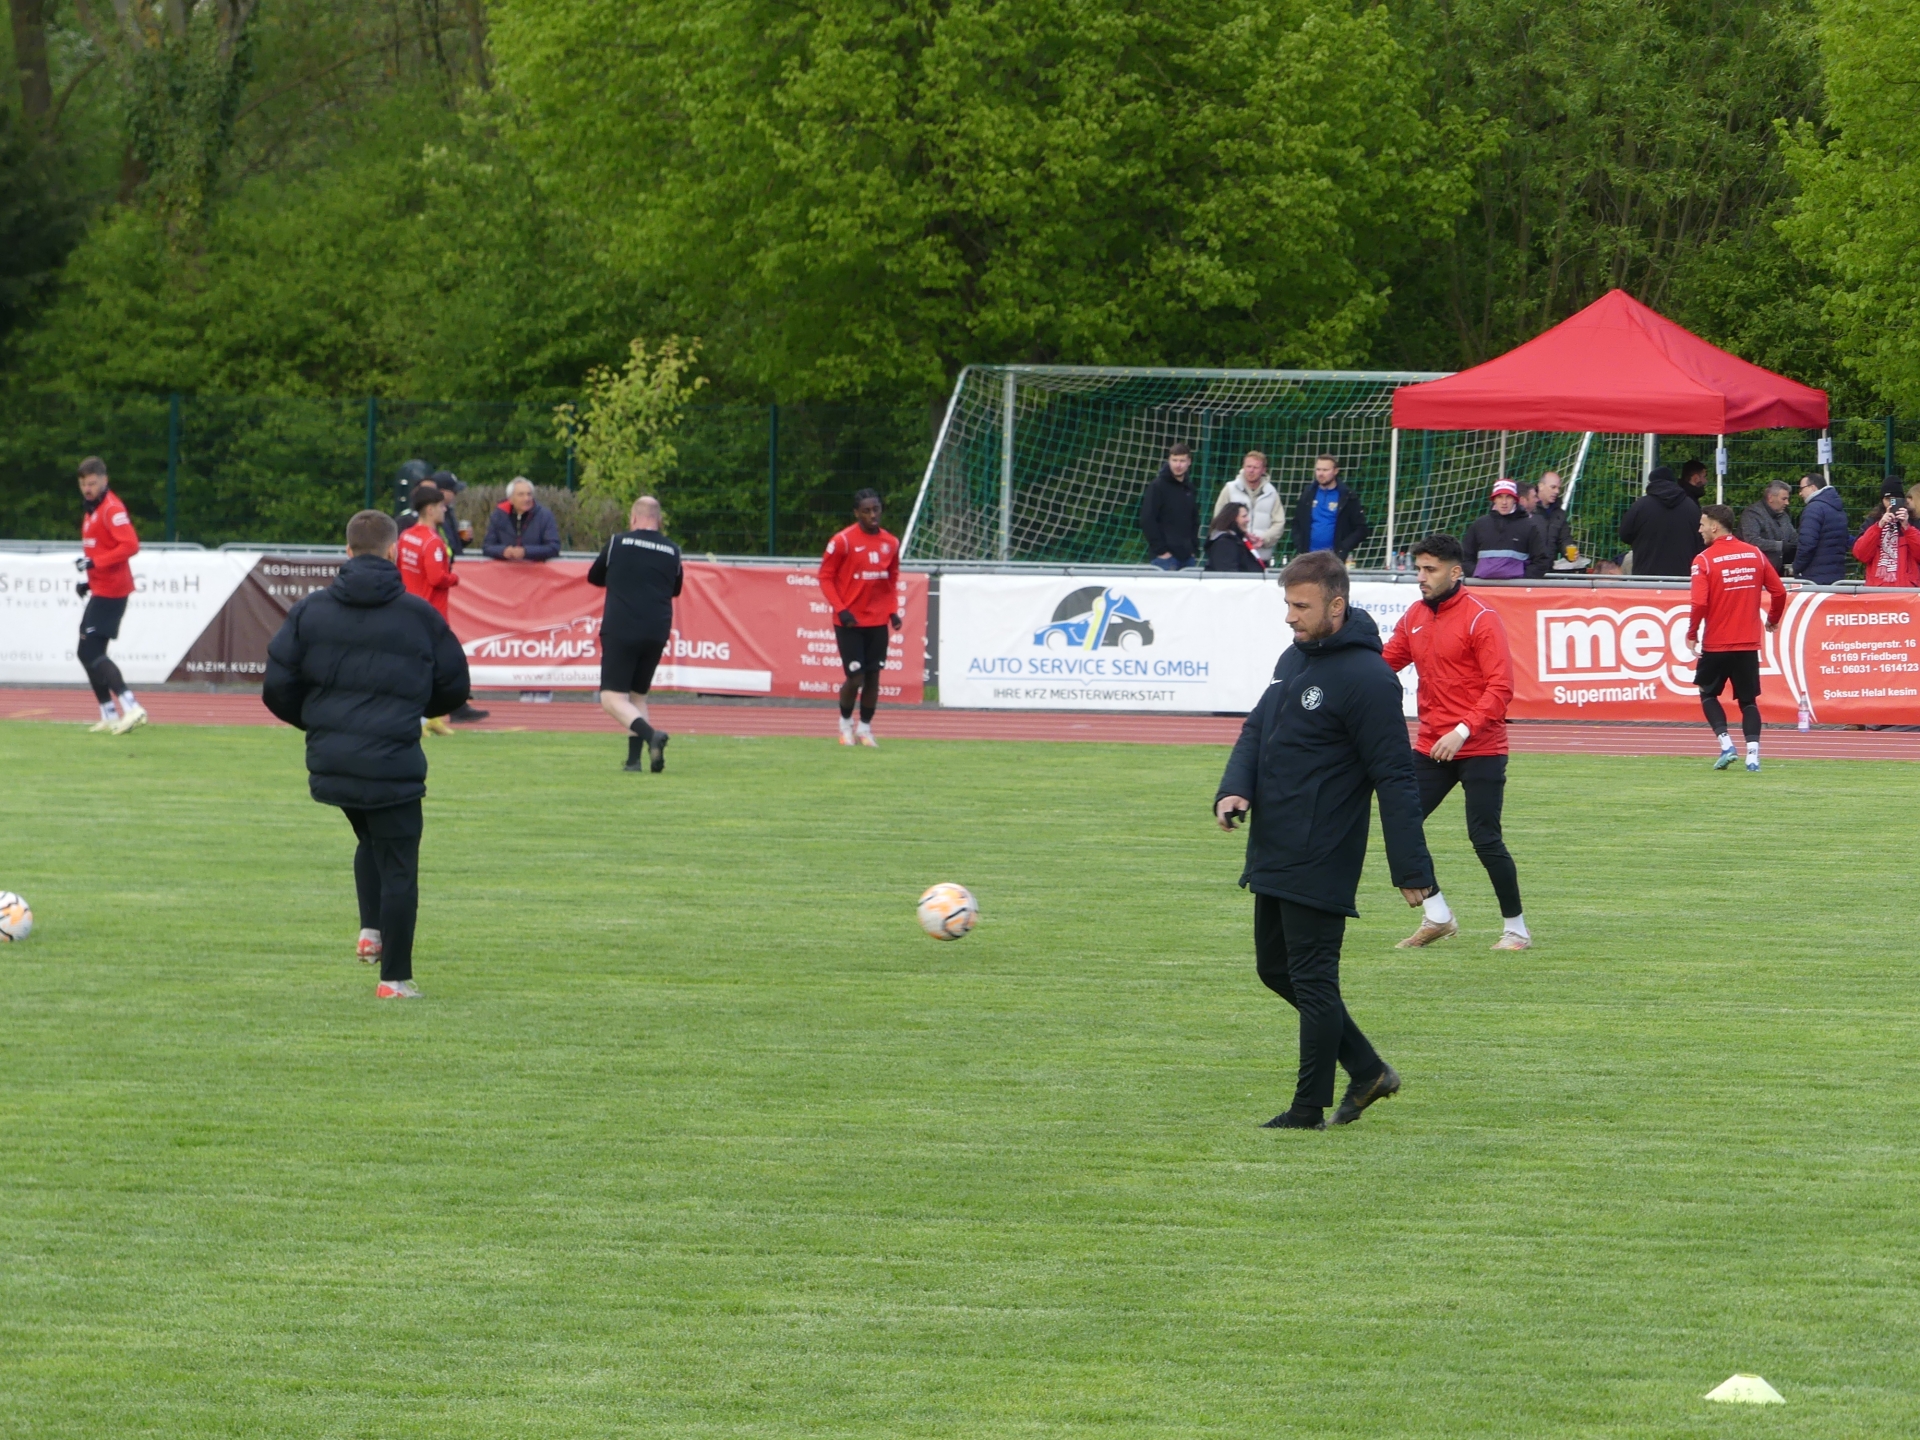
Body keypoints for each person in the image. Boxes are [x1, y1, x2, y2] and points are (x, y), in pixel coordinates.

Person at [1214, 551, 1436, 1130]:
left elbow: (1396, 776)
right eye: (1288, 603)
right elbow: (1257, 727)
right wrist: (1235, 788)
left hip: (1322, 849)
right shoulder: (1294, 657)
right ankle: (1368, 1070)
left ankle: (1306, 1108)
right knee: (1274, 969)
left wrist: (1410, 866)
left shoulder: (1370, 679)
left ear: (1336, 606)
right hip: (1275, 842)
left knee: (1313, 980)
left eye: (1301, 605)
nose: (1289, 616)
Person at [262, 509, 471, 1000]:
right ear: (394, 551)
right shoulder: (419, 614)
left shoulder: (310, 611)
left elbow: (276, 686)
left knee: (371, 835)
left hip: (333, 758)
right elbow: (454, 685)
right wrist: (416, 709)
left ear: (347, 550)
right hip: (392, 759)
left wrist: (321, 723)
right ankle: (393, 979)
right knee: (398, 862)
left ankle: (371, 930)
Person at [1382, 534, 1530, 951]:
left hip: (1481, 746)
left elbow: (1501, 687)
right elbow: (1383, 664)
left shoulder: (1481, 617)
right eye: (1419, 569)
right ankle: (1438, 915)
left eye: (1430, 570)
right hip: (1432, 745)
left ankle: (1517, 929)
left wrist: (1461, 730)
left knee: (1484, 838)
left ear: (1455, 572)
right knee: (1401, 821)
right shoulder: (1414, 616)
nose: (1421, 577)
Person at [1689, 504, 1787, 773]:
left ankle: (1726, 745)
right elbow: (1779, 592)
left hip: (1717, 643)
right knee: (1748, 702)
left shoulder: (1703, 560)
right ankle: (1753, 756)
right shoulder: (1754, 554)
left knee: (1707, 693)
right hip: (1747, 643)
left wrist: (1692, 633)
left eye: (1702, 524)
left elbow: (1699, 603)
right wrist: (1773, 619)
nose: (1699, 529)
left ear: (1714, 527)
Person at [587, 495, 681, 772]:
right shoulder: (672, 550)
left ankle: (652, 736)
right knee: (637, 696)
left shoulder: (617, 543)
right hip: (656, 630)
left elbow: (594, 576)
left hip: (622, 626)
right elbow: (675, 589)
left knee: (611, 698)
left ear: (633, 518)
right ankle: (633, 761)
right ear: (659, 520)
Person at [819, 488, 903, 746]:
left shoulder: (891, 543)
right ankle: (845, 724)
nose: (872, 515)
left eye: (876, 509)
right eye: (866, 511)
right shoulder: (842, 541)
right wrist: (841, 609)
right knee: (856, 677)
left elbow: (892, 578)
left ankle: (865, 728)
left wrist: (892, 610)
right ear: (856, 513)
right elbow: (825, 577)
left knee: (873, 677)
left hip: (877, 621)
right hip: (850, 622)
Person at [398, 484, 487, 725]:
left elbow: (400, 568)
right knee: (448, 663)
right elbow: (437, 577)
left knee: (423, 663)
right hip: (432, 613)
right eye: (440, 506)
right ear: (430, 509)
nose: (444, 510)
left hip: (410, 608)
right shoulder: (432, 542)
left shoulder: (406, 536)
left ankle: (444, 711)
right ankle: (450, 709)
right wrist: (454, 578)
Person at [72, 456, 149, 735]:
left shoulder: (111, 508)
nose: (88, 489)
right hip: (101, 588)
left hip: (113, 591)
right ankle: (109, 713)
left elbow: (130, 545)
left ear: (105, 481)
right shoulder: (91, 511)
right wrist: (89, 582)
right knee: (87, 652)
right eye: (84, 484)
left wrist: (95, 564)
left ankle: (132, 706)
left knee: (90, 651)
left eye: (92, 483)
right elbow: (102, 550)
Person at [1619, 464, 1703, 577]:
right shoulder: (1692, 507)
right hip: (1682, 577)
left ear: (1651, 483)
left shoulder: (1640, 506)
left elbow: (1624, 535)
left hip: (1646, 575)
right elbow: (1701, 540)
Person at [1461, 479, 1550, 579]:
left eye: (1508, 497)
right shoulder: (1479, 525)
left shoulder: (1529, 526)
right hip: (1482, 587)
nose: (1504, 502)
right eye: (1500, 497)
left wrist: (1523, 578)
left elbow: (1541, 560)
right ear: (1494, 499)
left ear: (1515, 500)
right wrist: (1476, 574)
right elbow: (1465, 556)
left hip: (1517, 588)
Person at [1289, 454, 1369, 562]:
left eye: (1325, 470)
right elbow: (1296, 523)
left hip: (1334, 560)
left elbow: (1361, 529)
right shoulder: (1308, 494)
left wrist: (1343, 548)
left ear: (1336, 471)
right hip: (1308, 558)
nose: (1321, 473)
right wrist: (1300, 545)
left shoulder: (1347, 496)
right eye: (1318, 469)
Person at [1212, 451, 1285, 564]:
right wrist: (1240, 538)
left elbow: (1279, 523)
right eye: (1248, 466)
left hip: (1260, 556)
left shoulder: (1271, 493)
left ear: (1263, 470)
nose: (1251, 470)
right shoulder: (1230, 489)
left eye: (1255, 467)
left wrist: (1263, 539)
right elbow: (1219, 520)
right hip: (1233, 556)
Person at [1140, 443, 1200, 569]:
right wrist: (1161, 551)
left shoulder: (1190, 488)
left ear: (1189, 462)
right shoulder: (1157, 486)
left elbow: (1194, 520)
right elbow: (1147, 519)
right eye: (1174, 460)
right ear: (1169, 460)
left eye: (1182, 461)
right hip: (1165, 559)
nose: (1178, 465)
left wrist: (1193, 549)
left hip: (1187, 557)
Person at [1852, 487, 1920, 586]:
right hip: (1877, 589)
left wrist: (1907, 528)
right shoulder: (1872, 521)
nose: (1891, 503)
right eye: (1887, 499)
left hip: (1906, 590)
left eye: (1895, 499)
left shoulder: (1914, 521)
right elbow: (1861, 555)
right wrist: (1878, 527)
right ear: (1882, 500)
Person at [483, 478, 563, 562]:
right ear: (510, 499)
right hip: (505, 569)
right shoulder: (498, 516)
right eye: (521, 495)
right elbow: (487, 547)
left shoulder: (545, 516)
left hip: (536, 569)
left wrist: (526, 552)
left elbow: (554, 548)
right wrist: (503, 551)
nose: (526, 498)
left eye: (529, 494)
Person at [1792, 472, 1849, 582]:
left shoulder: (1813, 509)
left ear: (1812, 487)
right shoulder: (1837, 508)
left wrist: (1796, 567)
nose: (1800, 493)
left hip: (1814, 576)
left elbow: (1807, 544)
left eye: (1802, 488)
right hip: (1836, 574)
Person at [1740, 480, 1798, 576]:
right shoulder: (1752, 514)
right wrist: (1779, 546)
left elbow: (1793, 536)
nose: (1787, 503)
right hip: (1756, 571)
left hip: (1776, 569)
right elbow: (1751, 541)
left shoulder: (1783, 515)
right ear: (1770, 498)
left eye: (1787, 499)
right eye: (1784, 499)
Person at [1205, 502, 1266, 573]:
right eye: (1244, 516)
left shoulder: (1237, 541)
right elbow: (1227, 574)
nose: (1248, 520)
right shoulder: (1225, 544)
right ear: (1232, 518)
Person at [1532, 471, 1572, 564]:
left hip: (1548, 567)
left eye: (1558, 488)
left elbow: (1564, 538)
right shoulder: (1528, 509)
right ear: (1541, 486)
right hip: (1528, 567)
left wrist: (1568, 549)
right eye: (1553, 487)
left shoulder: (1559, 514)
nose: (1557, 491)